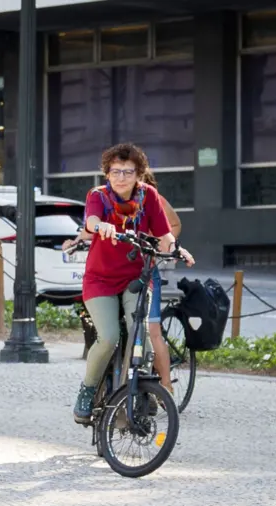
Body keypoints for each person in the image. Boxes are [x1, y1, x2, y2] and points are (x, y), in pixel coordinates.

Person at [73, 143, 192, 424]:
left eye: (128, 171)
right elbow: (90, 220)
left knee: (142, 338)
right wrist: (99, 225)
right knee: (109, 337)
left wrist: (175, 248)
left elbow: (164, 233)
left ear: (139, 174)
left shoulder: (148, 196)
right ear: (107, 173)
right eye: (116, 171)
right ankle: (88, 391)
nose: (122, 177)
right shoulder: (99, 196)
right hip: (100, 279)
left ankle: (136, 388)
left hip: (136, 278)